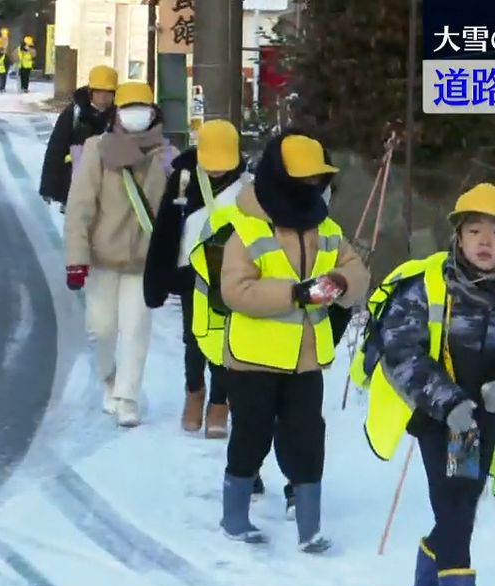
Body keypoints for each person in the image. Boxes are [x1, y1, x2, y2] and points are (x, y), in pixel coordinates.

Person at [352, 183, 495, 586]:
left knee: (459, 512)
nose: (485, 241)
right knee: (457, 511)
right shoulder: (429, 286)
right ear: (457, 236)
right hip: (442, 422)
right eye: (474, 230)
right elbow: (402, 353)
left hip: (486, 422)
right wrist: (446, 402)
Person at [214, 132, 370, 553]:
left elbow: (358, 273)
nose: (312, 189)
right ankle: (234, 516)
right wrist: (294, 295)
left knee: (307, 437)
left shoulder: (327, 229)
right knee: (251, 435)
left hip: (306, 360)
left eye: (317, 180)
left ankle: (309, 526)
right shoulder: (247, 231)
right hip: (253, 361)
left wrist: (340, 282)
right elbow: (235, 291)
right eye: (304, 180)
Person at [64, 81, 173, 427]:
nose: (136, 114)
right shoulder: (97, 149)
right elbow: (79, 206)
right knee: (101, 328)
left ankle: (127, 397)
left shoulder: (166, 156)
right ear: (117, 113)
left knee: (136, 330)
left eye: (143, 107)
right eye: (129, 107)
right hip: (102, 258)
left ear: (154, 112)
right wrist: (76, 258)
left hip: (144, 261)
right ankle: (108, 377)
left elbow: (174, 213)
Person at [144, 119, 247, 439]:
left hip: (231, 274)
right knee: (194, 338)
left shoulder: (247, 186)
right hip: (191, 273)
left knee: (225, 341)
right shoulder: (183, 179)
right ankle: (194, 392)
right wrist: (157, 281)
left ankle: (219, 402)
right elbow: (165, 230)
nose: (216, 170)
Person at [40, 65, 118, 213]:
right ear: (90, 92)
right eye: (98, 91)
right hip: (75, 185)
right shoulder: (74, 114)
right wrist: (48, 186)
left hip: (108, 187)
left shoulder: (118, 116)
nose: (103, 96)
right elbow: (56, 148)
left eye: (108, 92)